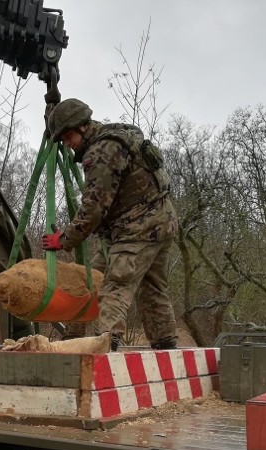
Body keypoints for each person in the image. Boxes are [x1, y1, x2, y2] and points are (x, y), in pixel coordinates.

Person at [42, 98, 178, 351]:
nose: (68, 145)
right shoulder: (119, 133)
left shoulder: (101, 153)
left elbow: (93, 208)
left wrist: (64, 240)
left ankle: (105, 346)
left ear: (83, 127)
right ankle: (166, 346)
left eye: (69, 137)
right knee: (127, 283)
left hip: (138, 228)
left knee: (115, 285)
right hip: (161, 222)